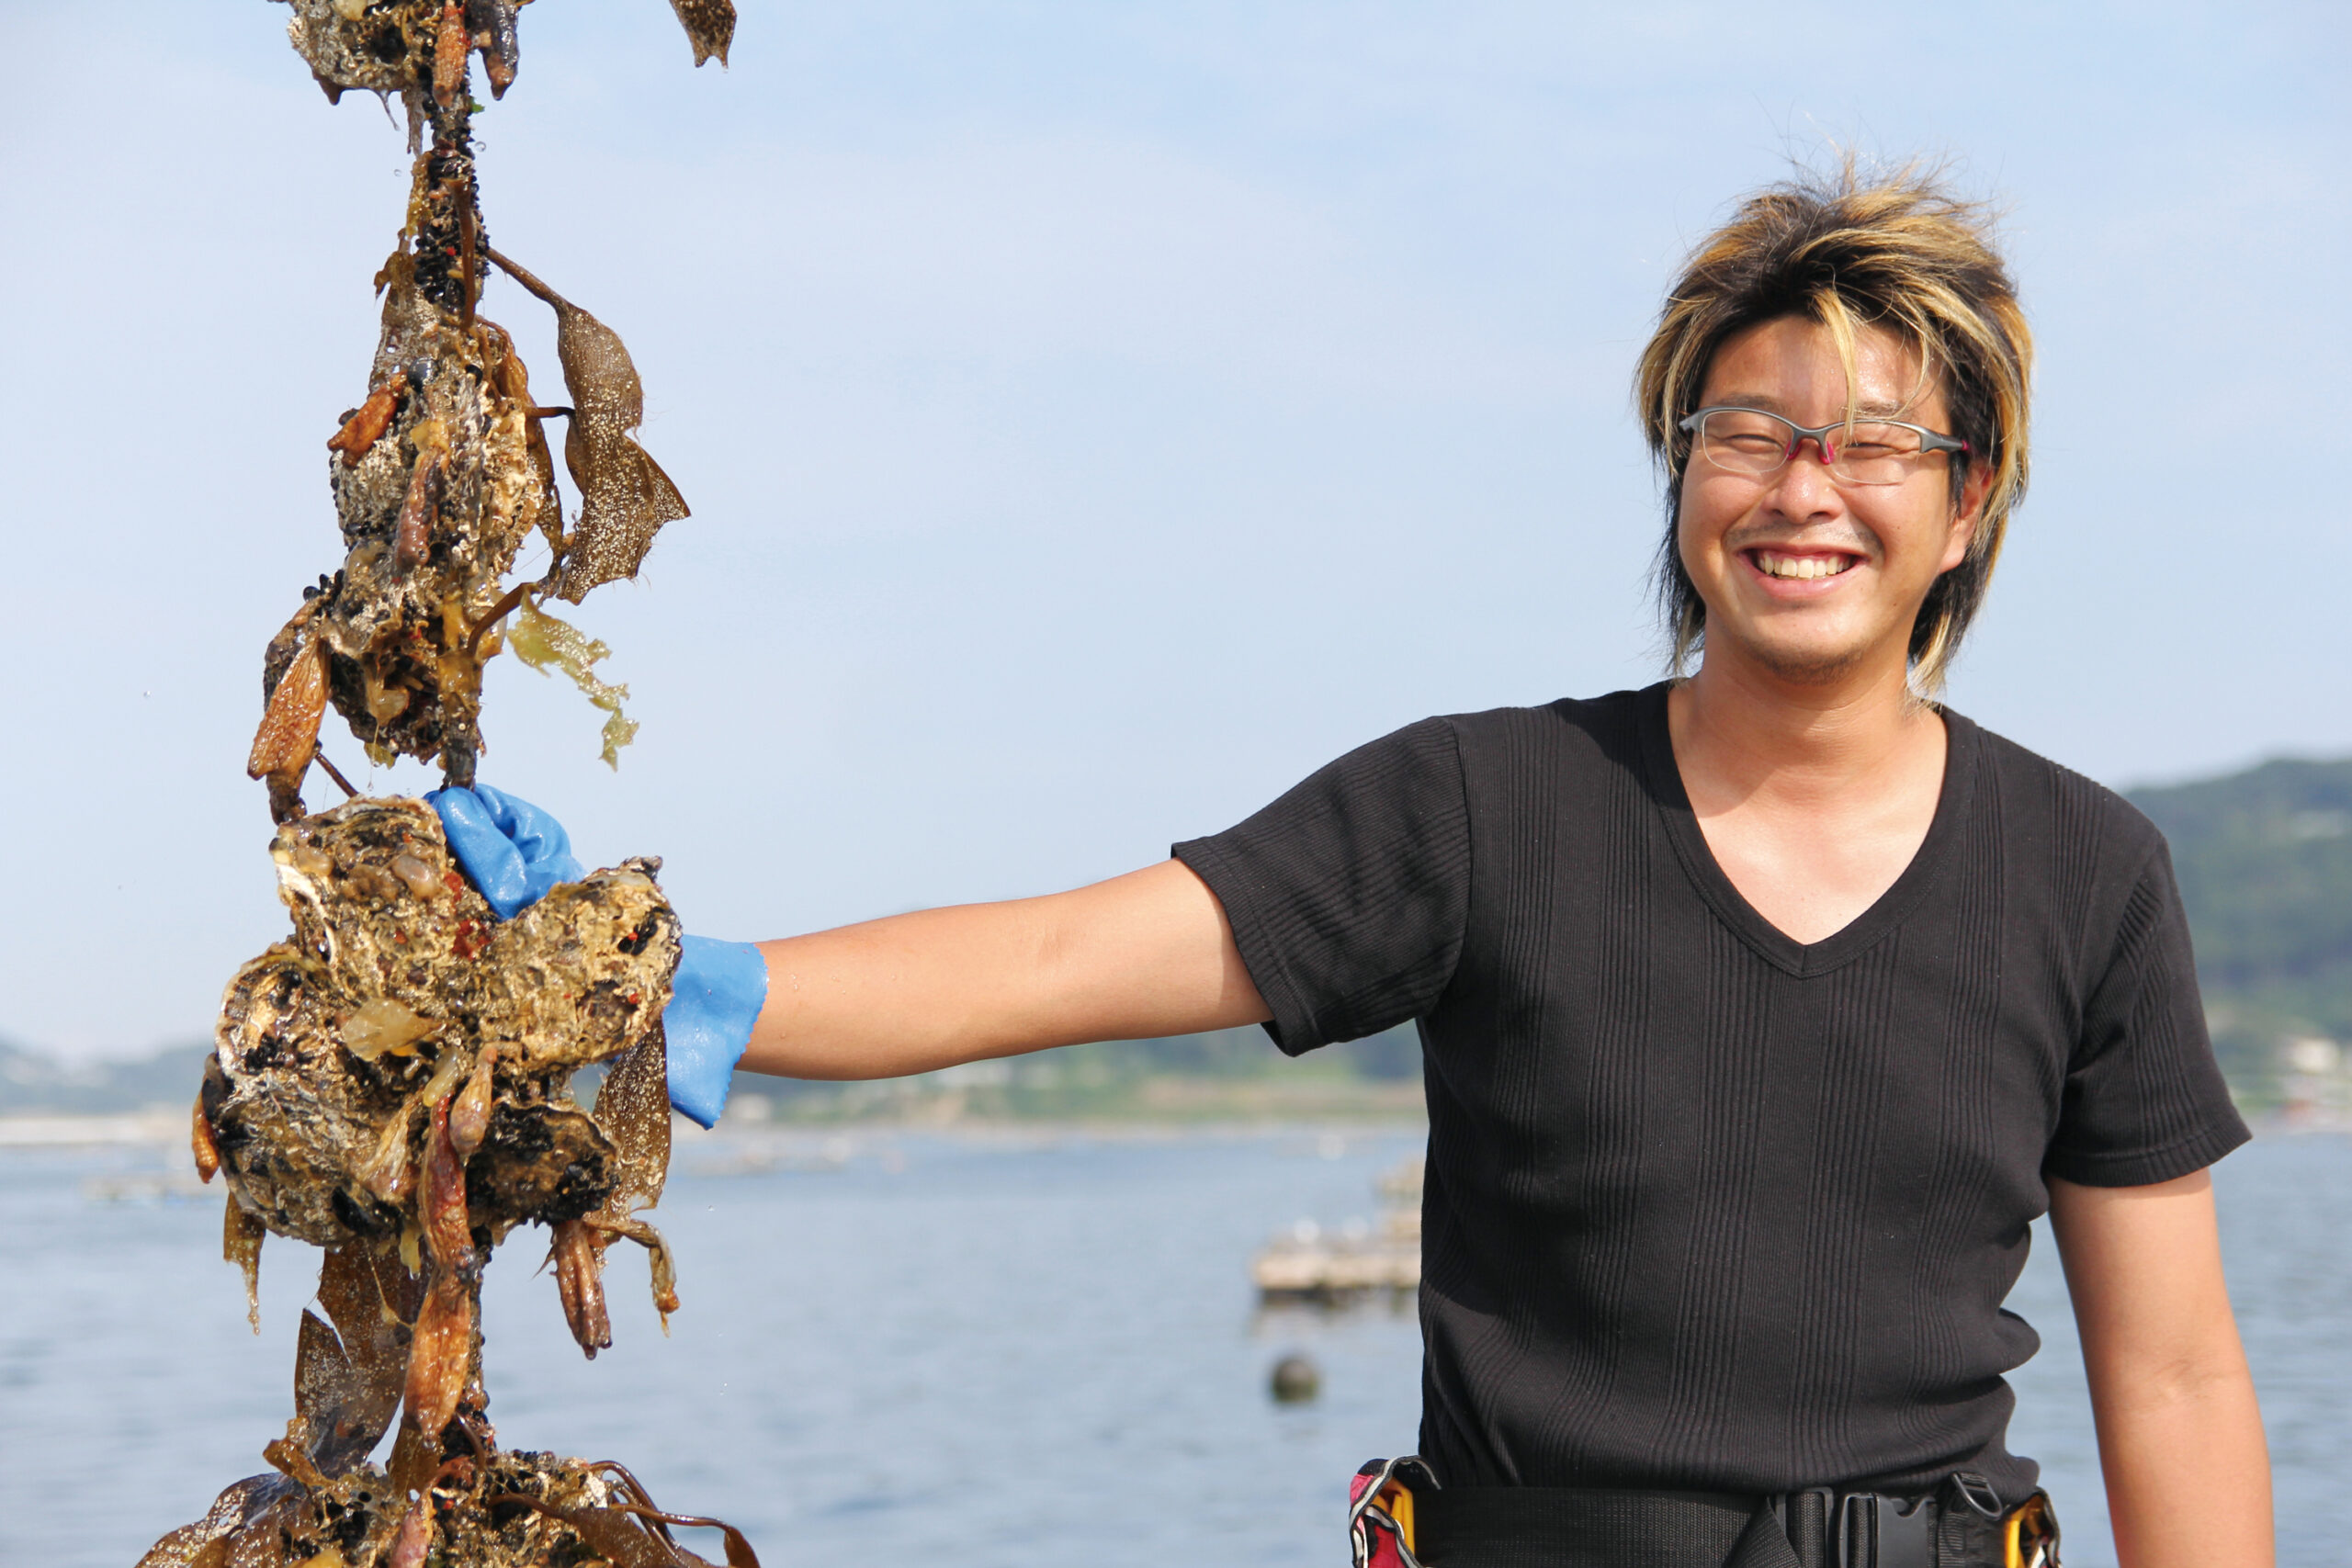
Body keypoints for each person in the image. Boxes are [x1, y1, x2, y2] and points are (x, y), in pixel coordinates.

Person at [433, 164, 2272, 1567]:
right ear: (1677, 472)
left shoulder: (2080, 871)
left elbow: (2173, 1372)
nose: (1803, 487)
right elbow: (1074, 957)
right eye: (1747, 430)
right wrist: (677, 975)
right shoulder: (1481, 808)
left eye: (1874, 443)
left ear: (1962, 507)